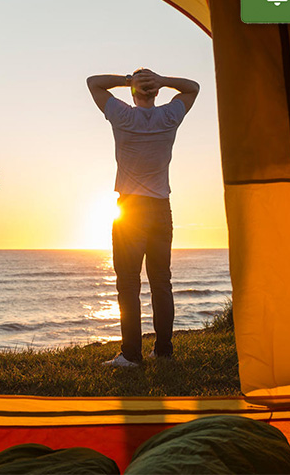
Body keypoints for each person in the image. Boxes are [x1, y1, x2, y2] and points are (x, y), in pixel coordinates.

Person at [86, 68, 199, 366]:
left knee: (128, 284)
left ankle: (131, 355)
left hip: (131, 210)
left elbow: (93, 83)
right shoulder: (169, 116)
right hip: (161, 208)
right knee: (161, 282)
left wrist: (127, 81)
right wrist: (163, 80)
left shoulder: (123, 115)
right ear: (157, 92)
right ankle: (163, 352)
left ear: (134, 92)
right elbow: (192, 87)